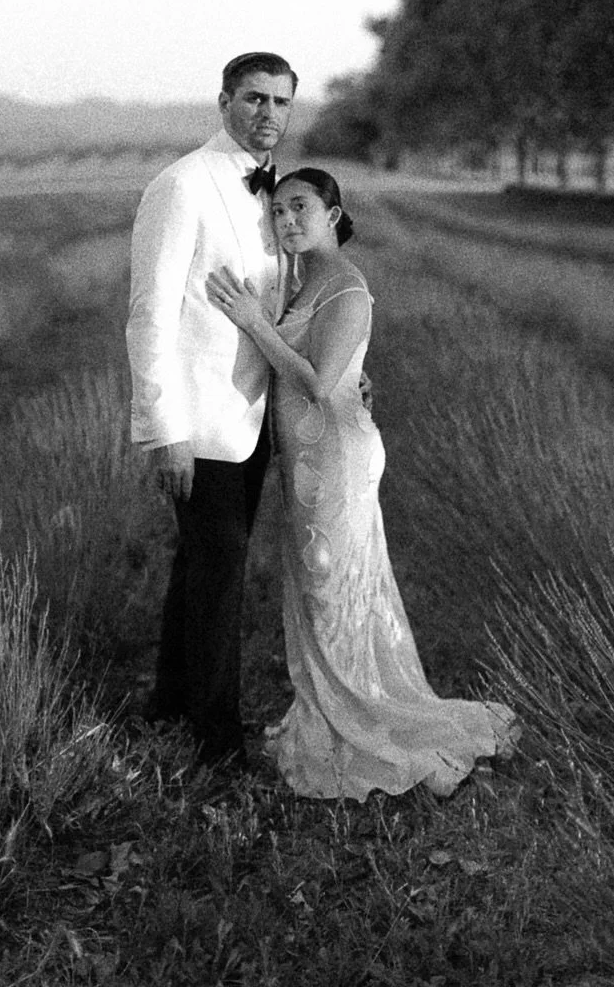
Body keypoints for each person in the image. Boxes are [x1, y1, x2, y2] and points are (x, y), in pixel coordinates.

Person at [207, 169, 518, 799]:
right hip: (308, 461)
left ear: (333, 213)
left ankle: (361, 724)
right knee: (320, 589)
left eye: (301, 208)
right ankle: (327, 712)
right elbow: (339, 366)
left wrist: (255, 324)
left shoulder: (346, 283)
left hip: (338, 461)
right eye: (279, 213)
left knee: (334, 589)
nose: (287, 221)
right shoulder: (302, 280)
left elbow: (320, 383)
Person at [125, 51, 297, 765]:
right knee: (221, 570)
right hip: (199, 423)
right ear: (224, 101)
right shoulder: (180, 186)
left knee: (200, 561)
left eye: (281, 102)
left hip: (255, 417)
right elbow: (150, 314)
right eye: (254, 99)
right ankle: (217, 741)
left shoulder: (276, 190)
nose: (268, 115)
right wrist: (164, 430)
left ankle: (169, 698)